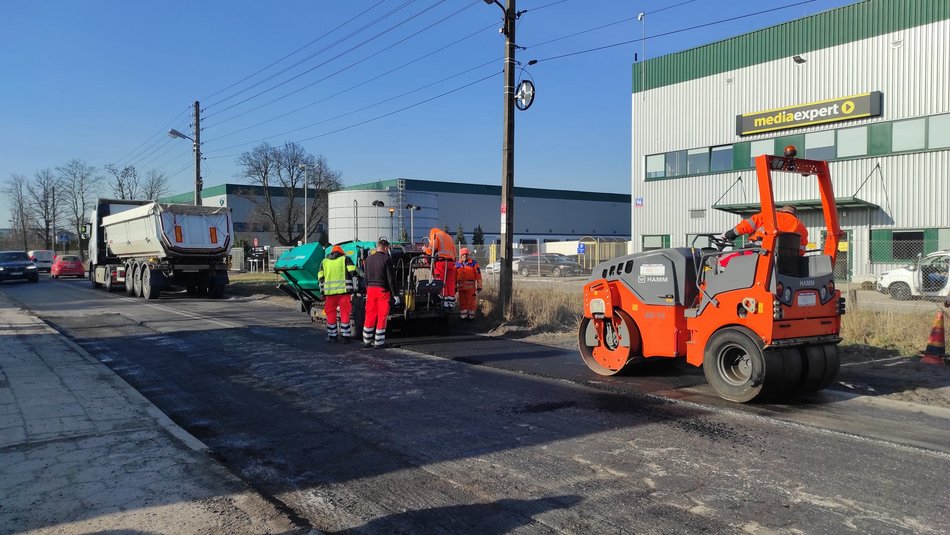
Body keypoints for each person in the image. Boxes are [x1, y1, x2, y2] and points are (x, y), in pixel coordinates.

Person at [721, 205, 808, 254]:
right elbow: (801, 250)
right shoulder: (802, 227)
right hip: (785, 261)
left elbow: (748, 224)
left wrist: (731, 233)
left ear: (781, 211)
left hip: (758, 252)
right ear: (795, 215)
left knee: (724, 261)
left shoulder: (772, 216)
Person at [318, 244, 358, 343]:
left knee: (330, 313)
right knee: (345, 313)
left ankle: (332, 336)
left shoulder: (324, 262)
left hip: (329, 293)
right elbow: (353, 271)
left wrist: (322, 292)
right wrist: (362, 273)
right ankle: (345, 337)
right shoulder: (345, 259)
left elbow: (320, 278)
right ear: (341, 252)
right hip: (344, 292)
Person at [362, 238, 397, 349]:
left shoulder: (368, 259)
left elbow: (365, 277)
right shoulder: (386, 259)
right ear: (385, 248)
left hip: (370, 289)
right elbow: (391, 279)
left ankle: (367, 340)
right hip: (382, 290)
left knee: (370, 314)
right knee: (382, 315)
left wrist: (367, 289)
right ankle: (379, 342)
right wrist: (395, 294)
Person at [426, 227, 458, 310]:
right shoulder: (449, 237)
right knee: (450, 283)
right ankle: (451, 304)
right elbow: (454, 252)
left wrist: (425, 249)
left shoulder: (435, 235)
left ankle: (443, 303)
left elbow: (431, 249)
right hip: (451, 263)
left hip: (441, 262)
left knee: (440, 282)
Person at [455, 248, 482, 320]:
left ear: (468, 255)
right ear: (460, 255)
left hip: (471, 289)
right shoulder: (457, 264)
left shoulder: (474, 263)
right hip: (461, 288)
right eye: (463, 254)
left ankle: (471, 316)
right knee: (462, 302)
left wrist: (479, 286)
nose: (465, 256)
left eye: (466, 254)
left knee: (471, 302)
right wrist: (454, 287)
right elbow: (454, 276)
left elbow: (478, 276)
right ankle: (463, 316)